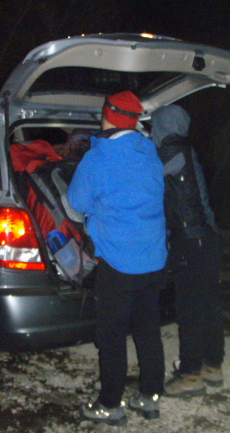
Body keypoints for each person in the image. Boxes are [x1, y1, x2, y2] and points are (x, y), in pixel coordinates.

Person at [67, 91, 168, 426]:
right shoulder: (150, 153)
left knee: (112, 336)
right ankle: (150, 397)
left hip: (118, 262)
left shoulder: (98, 158)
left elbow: (77, 202)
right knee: (148, 330)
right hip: (153, 259)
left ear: (108, 116)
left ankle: (110, 404)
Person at [150, 104, 225, 397]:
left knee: (190, 309)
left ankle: (190, 375)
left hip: (190, 240)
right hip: (208, 239)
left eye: (155, 126)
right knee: (208, 305)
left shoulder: (169, 153)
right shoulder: (186, 150)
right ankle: (212, 365)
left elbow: (148, 181)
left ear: (164, 127)